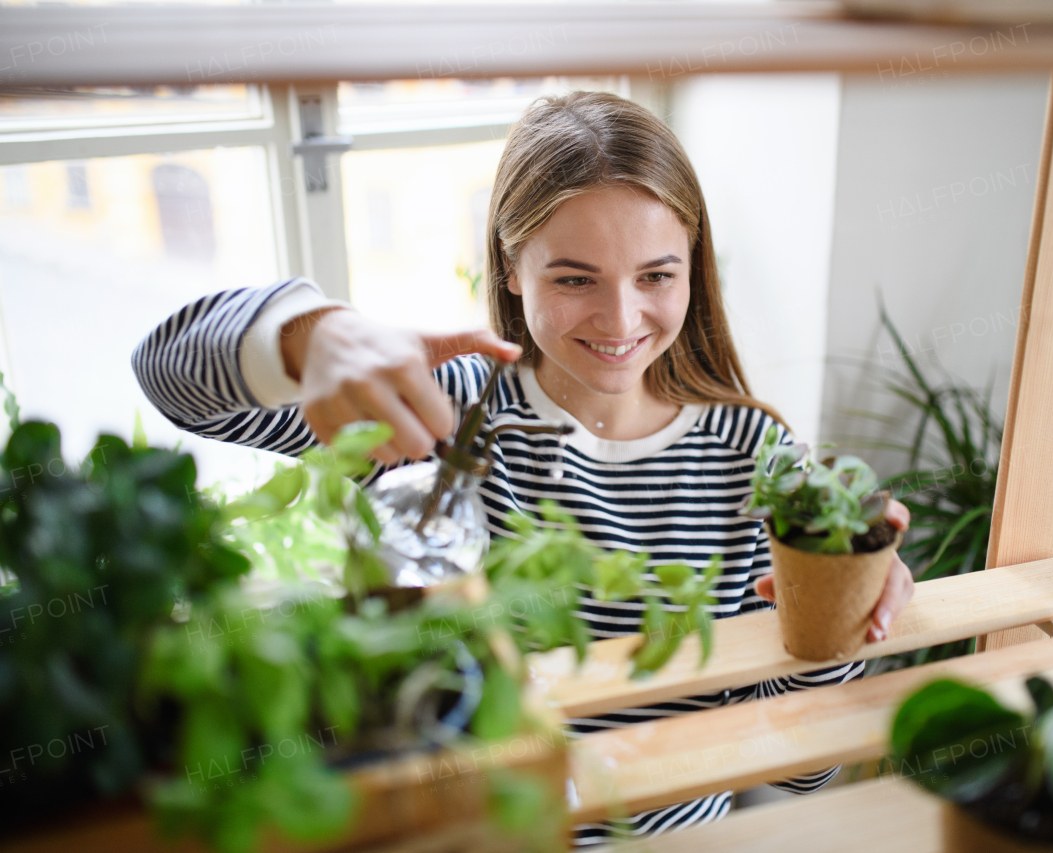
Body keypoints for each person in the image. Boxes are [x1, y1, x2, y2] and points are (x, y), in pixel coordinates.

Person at [132, 91, 914, 845]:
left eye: (656, 275)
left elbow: (798, 772)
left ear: (692, 266)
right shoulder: (442, 413)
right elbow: (169, 378)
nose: (619, 318)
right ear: (511, 267)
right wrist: (310, 333)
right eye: (574, 277)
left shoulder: (757, 460)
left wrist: (840, 621)